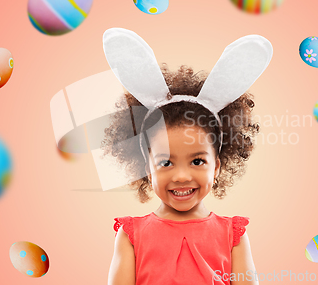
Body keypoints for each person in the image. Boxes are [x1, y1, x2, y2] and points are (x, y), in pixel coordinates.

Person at [101, 28, 272, 285]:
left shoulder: (233, 235)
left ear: (217, 166)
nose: (181, 176)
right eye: (166, 162)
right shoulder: (130, 236)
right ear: (147, 168)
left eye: (197, 161)